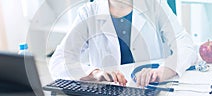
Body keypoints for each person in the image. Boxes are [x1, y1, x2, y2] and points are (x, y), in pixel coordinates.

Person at [49, 0, 197, 87]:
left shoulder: (154, 4)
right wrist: (94, 73)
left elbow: (185, 44)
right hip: (108, 93)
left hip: (150, 91)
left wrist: (162, 71)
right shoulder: (89, 12)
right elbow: (60, 60)